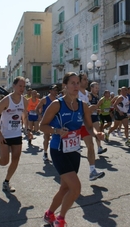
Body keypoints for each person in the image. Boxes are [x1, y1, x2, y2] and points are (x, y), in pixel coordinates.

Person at [39, 72, 104, 227]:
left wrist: (96, 133)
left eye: (77, 83)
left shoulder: (83, 106)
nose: (76, 86)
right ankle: (60, 219)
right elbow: (42, 126)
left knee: (65, 187)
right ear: (65, 86)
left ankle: (49, 214)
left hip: (74, 150)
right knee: (76, 188)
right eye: (72, 83)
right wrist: (57, 131)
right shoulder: (57, 104)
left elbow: (88, 126)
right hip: (58, 150)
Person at [0, 76, 30, 193]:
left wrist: (27, 129)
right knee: (4, 161)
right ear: (14, 86)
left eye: (24, 86)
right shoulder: (6, 100)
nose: (22, 88)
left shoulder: (24, 101)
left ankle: (6, 182)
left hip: (16, 134)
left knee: (15, 159)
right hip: (4, 134)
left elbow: (24, 116)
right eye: (20, 86)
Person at [78, 73, 105, 181]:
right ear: (79, 81)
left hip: (84, 125)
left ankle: (92, 171)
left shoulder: (87, 94)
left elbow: (86, 111)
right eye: (84, 79)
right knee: (71, 151)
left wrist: (92, 109)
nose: (87, 81)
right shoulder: (76, 93)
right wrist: (89, 109)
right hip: (74, 126)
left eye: (87, 79)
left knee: (91, 146)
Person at [36, 84, 59, 161]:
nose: (56, 91)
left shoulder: (58, 99)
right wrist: (40, 116)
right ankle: (45, 153)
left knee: (57, 137)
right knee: (47, 137)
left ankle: (56, 152)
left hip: (55, 120)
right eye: (54, 89)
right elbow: (37, 108)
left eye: (56, 90)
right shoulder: (44, 99)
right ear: (50, 90)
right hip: (47, 121)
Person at [88, 82, 107, 154]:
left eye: (98, 88)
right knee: (88, 134)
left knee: (98, 132)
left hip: (95, 116)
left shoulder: (97, 96)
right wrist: (97, 106)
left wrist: (99, 110)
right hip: (88, 116)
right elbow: (88, 107)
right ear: (91, 88)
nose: (97, 89)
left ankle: (99, 148)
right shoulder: (89, 96)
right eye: (96, 88)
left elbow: (95, 107)